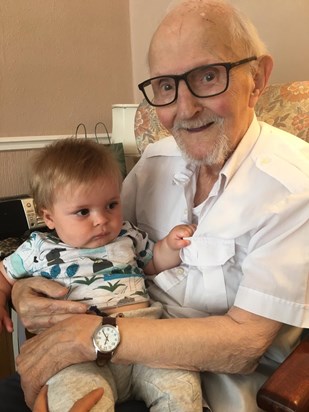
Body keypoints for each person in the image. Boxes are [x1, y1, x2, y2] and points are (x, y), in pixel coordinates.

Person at [4, 0, 309, 411]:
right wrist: (24, 290)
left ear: (257, 78)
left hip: (210, 390)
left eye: (207, 75)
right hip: (98, 359)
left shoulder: (294, 187)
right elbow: (94, 243)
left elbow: (243, 344)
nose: (184, 109)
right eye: (166, 86)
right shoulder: (154, 162)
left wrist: (89, 336)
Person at [0, 138, 200, 412]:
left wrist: (170, 245)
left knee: (182, 386)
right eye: (83, 211)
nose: (101, 220)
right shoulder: (39, 247)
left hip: (146, 342)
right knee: (75, 400)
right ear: (49, 217)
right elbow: (4, 274)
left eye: (111, 205)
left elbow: (152, 263)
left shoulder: (127, 235)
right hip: (76, 358)